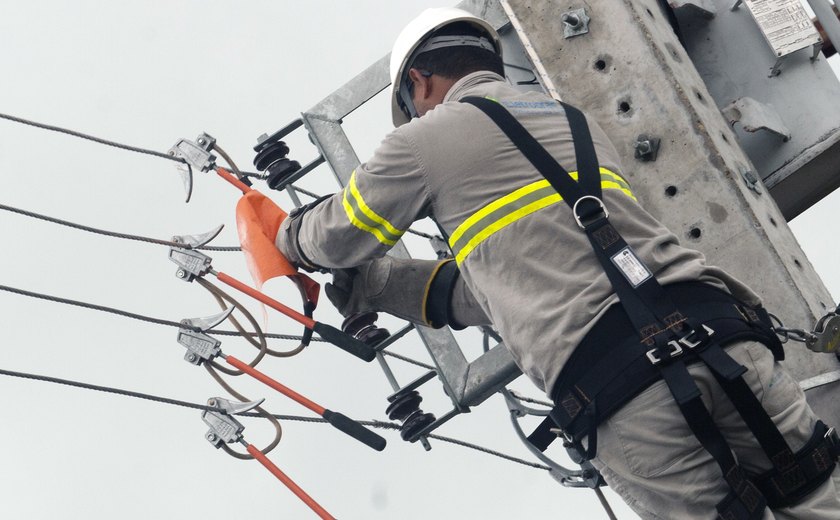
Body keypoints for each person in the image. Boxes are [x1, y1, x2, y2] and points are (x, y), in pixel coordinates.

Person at [273, 8, 839, 519]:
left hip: (621, 387)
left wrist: (284, 235)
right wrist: (383, 287)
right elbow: (501, 289)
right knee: (817, 494)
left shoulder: (424, 140)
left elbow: (340, 234)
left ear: (419, 83)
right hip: (721, 336)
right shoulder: (573, 120)